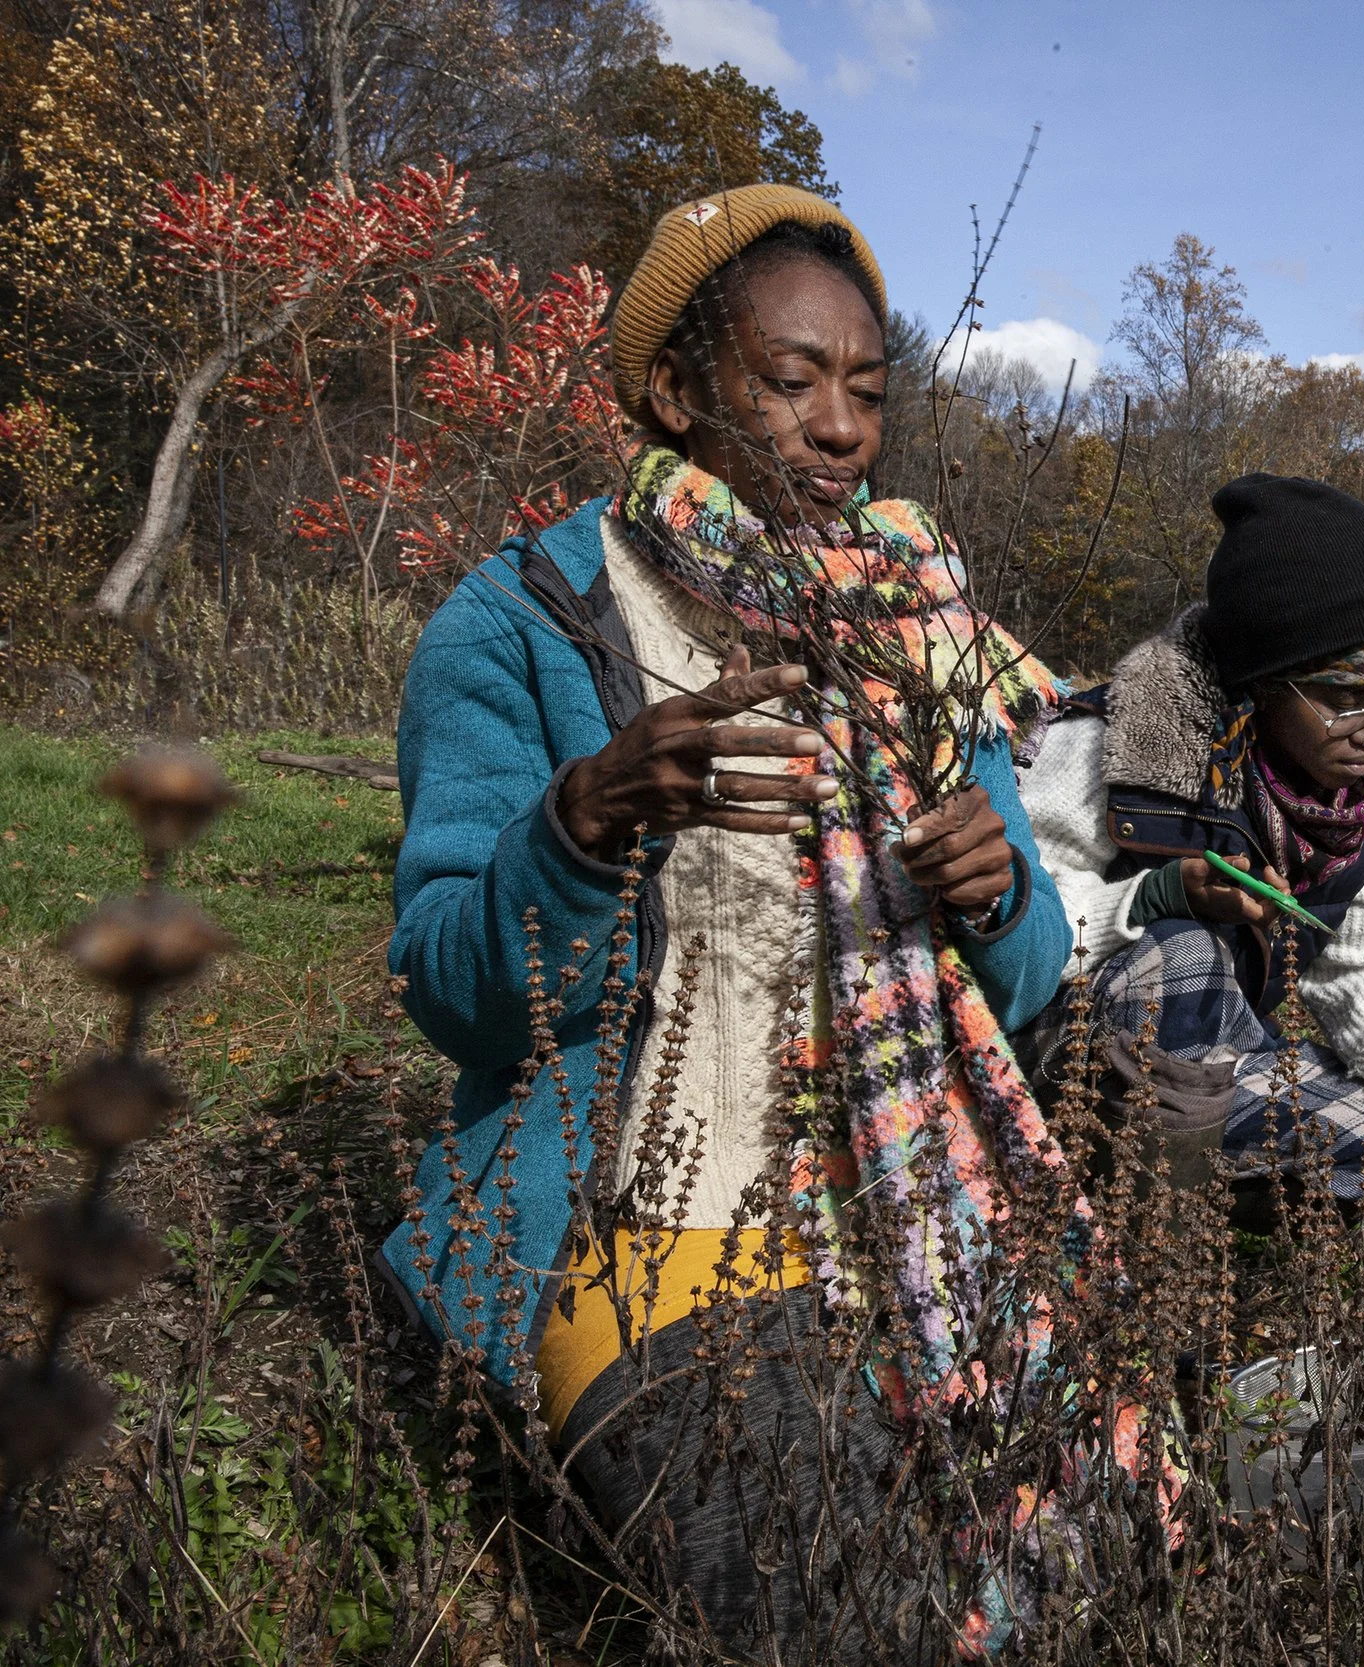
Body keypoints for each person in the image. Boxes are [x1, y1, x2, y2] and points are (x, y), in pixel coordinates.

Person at [382, 184, 1074, 1660]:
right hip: (644, 1229)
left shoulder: (919, 630)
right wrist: (583, 820)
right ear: (676, 390)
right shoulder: (525, 622)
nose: (841, 427)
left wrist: (998, 891)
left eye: (868, 391)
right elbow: (454, 989)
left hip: (902, 1204)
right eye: (791, 380)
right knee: (858, 1612)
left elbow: (1029, 976)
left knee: (1091, 1543)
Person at [1019, 474, 1364, 1215]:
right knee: (1187, 956)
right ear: (1263, 679)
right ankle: (1099, 1182)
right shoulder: (1113, 749)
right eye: (1346, 695)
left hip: (1221, 1068)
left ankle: (1177, 1197)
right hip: (1065, 1075)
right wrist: (1158, 896)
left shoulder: (1362, 808)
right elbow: (1013, 938)